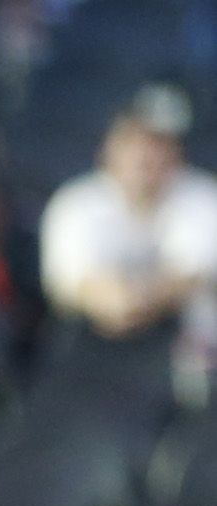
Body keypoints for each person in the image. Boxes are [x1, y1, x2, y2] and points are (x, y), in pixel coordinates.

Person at [40, 90, 217, 346]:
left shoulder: (203, 195)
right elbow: (81, 288)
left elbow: (193, 275)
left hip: (192, 352)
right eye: (133, 141)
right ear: (109, 146)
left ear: (176, 150)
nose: (145, 154)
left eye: (158, 143)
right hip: (95, 350)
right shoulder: (76, 203)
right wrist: (128, 299)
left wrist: (141, 297)